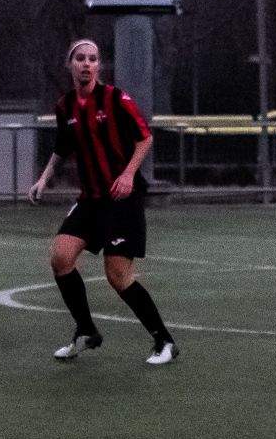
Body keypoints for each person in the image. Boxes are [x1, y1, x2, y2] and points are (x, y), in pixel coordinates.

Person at [26, 38, 177, 366]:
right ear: (70, 64)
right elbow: (62, 147)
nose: (87, 63)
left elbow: (145, 138)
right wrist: (43, 179)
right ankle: (85, 330)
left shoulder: (115, 99)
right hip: (91, 200)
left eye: (93, 59)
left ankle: (164, 340)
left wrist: (128, 174)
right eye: (80, 58)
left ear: (99, 65)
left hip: (122, 199)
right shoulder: (65, 106)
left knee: (118, 275)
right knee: (61, 256)